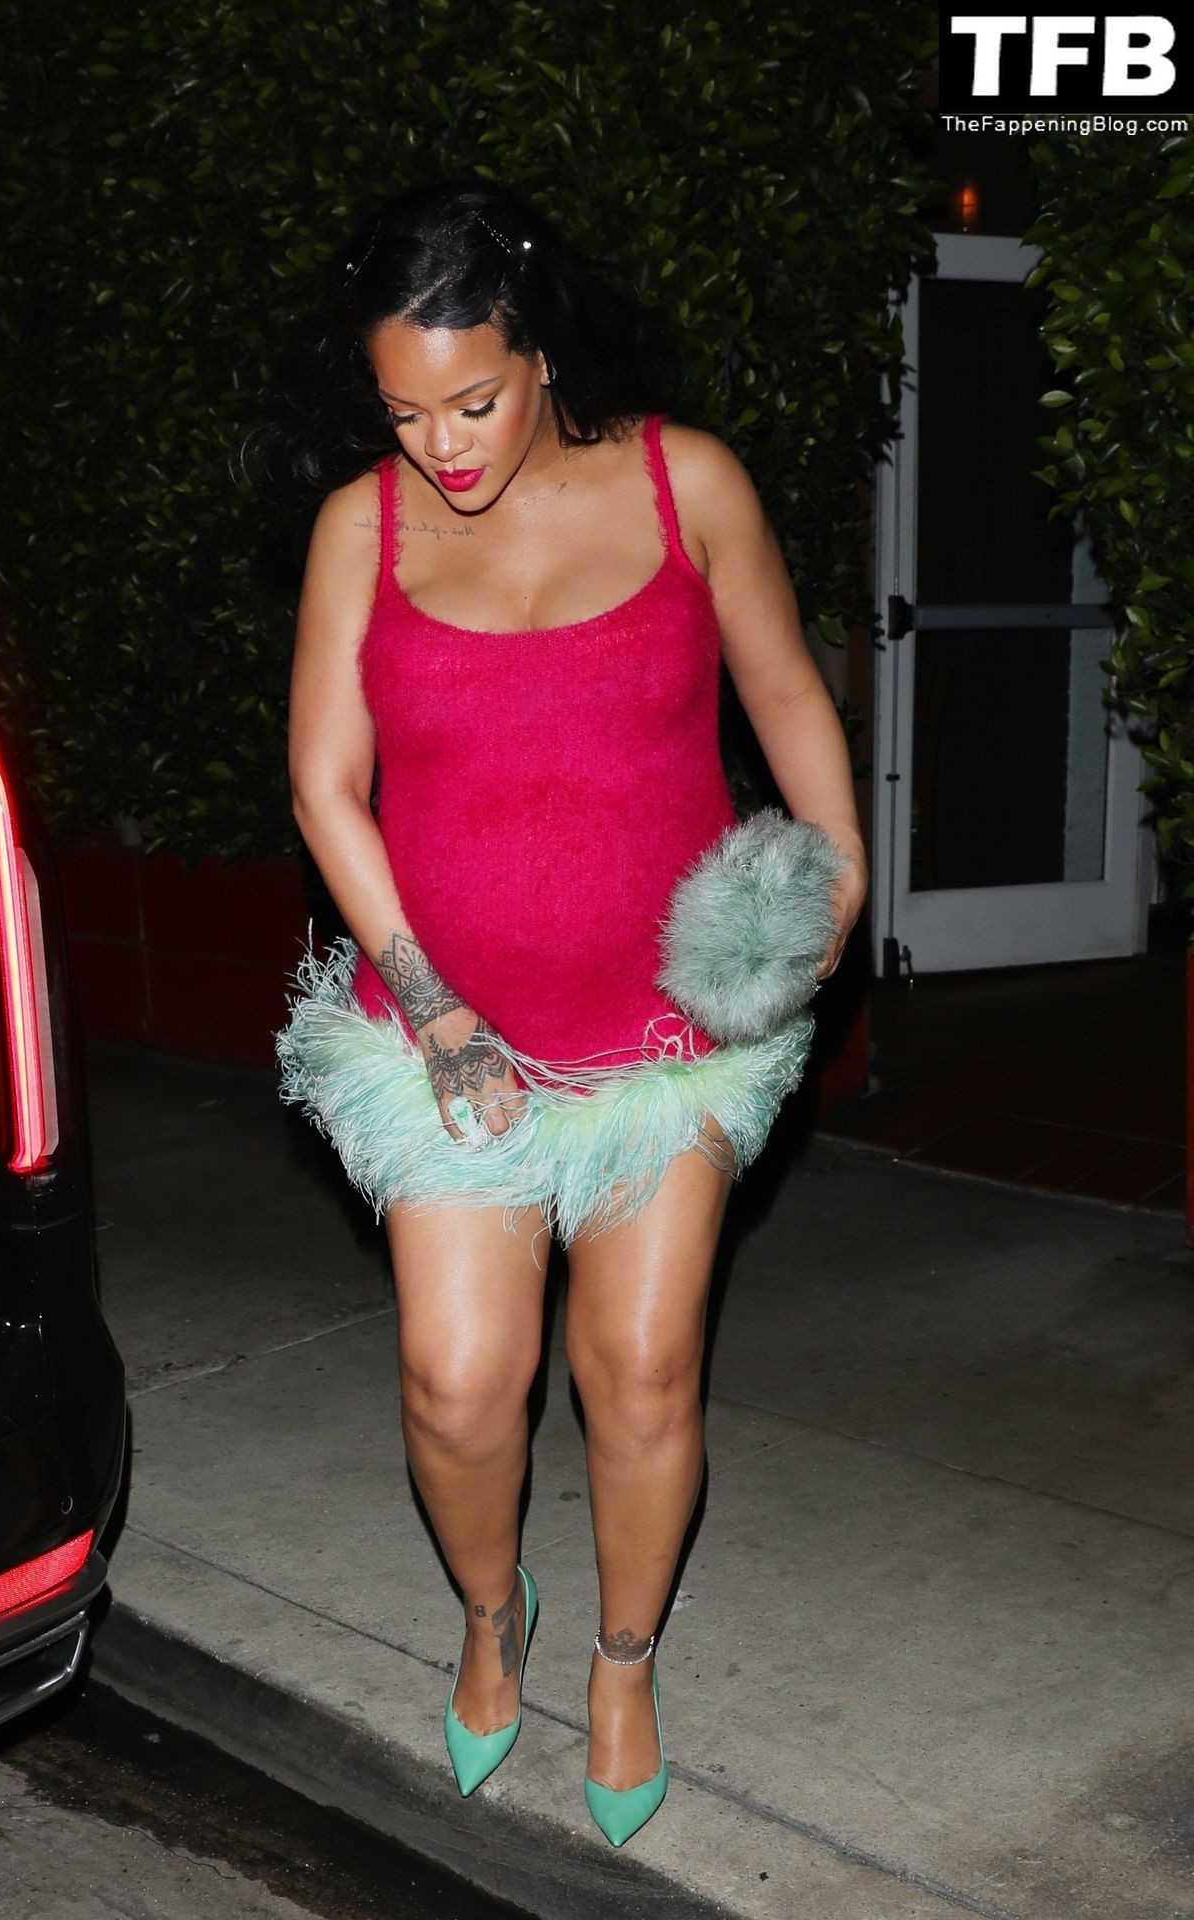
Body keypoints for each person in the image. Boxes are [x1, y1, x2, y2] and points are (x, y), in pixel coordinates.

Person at [247, 177, 867, 1847]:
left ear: (539, 348)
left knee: (642, 1369)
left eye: (474, 401)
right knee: (458, 1383)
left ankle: (623, 1659)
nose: (441, 445)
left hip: (665, 1042)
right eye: (403, 410)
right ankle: (486, 1609)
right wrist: (439, 1012)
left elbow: (787, 690)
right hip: (445, 1031)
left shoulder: (687, 484)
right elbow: (323, 787)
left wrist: (839, 881)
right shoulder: (361, 528)